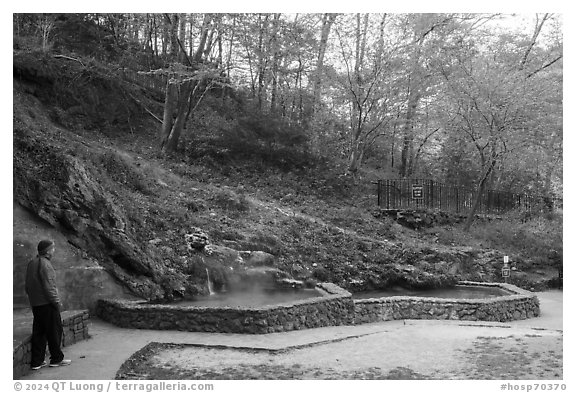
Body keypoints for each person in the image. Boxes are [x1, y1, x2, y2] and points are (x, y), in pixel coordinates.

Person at [25, 240, 71, 369]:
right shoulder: (45, 264)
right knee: (54, 331)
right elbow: (49, 286)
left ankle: (37, 362)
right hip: (47, 303)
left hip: (36, 304)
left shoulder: (31, 263)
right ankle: (56, 359)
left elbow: (27, 286)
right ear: (47, 251)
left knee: (39, 332)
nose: (54, 251)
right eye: (53, 249)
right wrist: (56, 302)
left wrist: (33, 301)